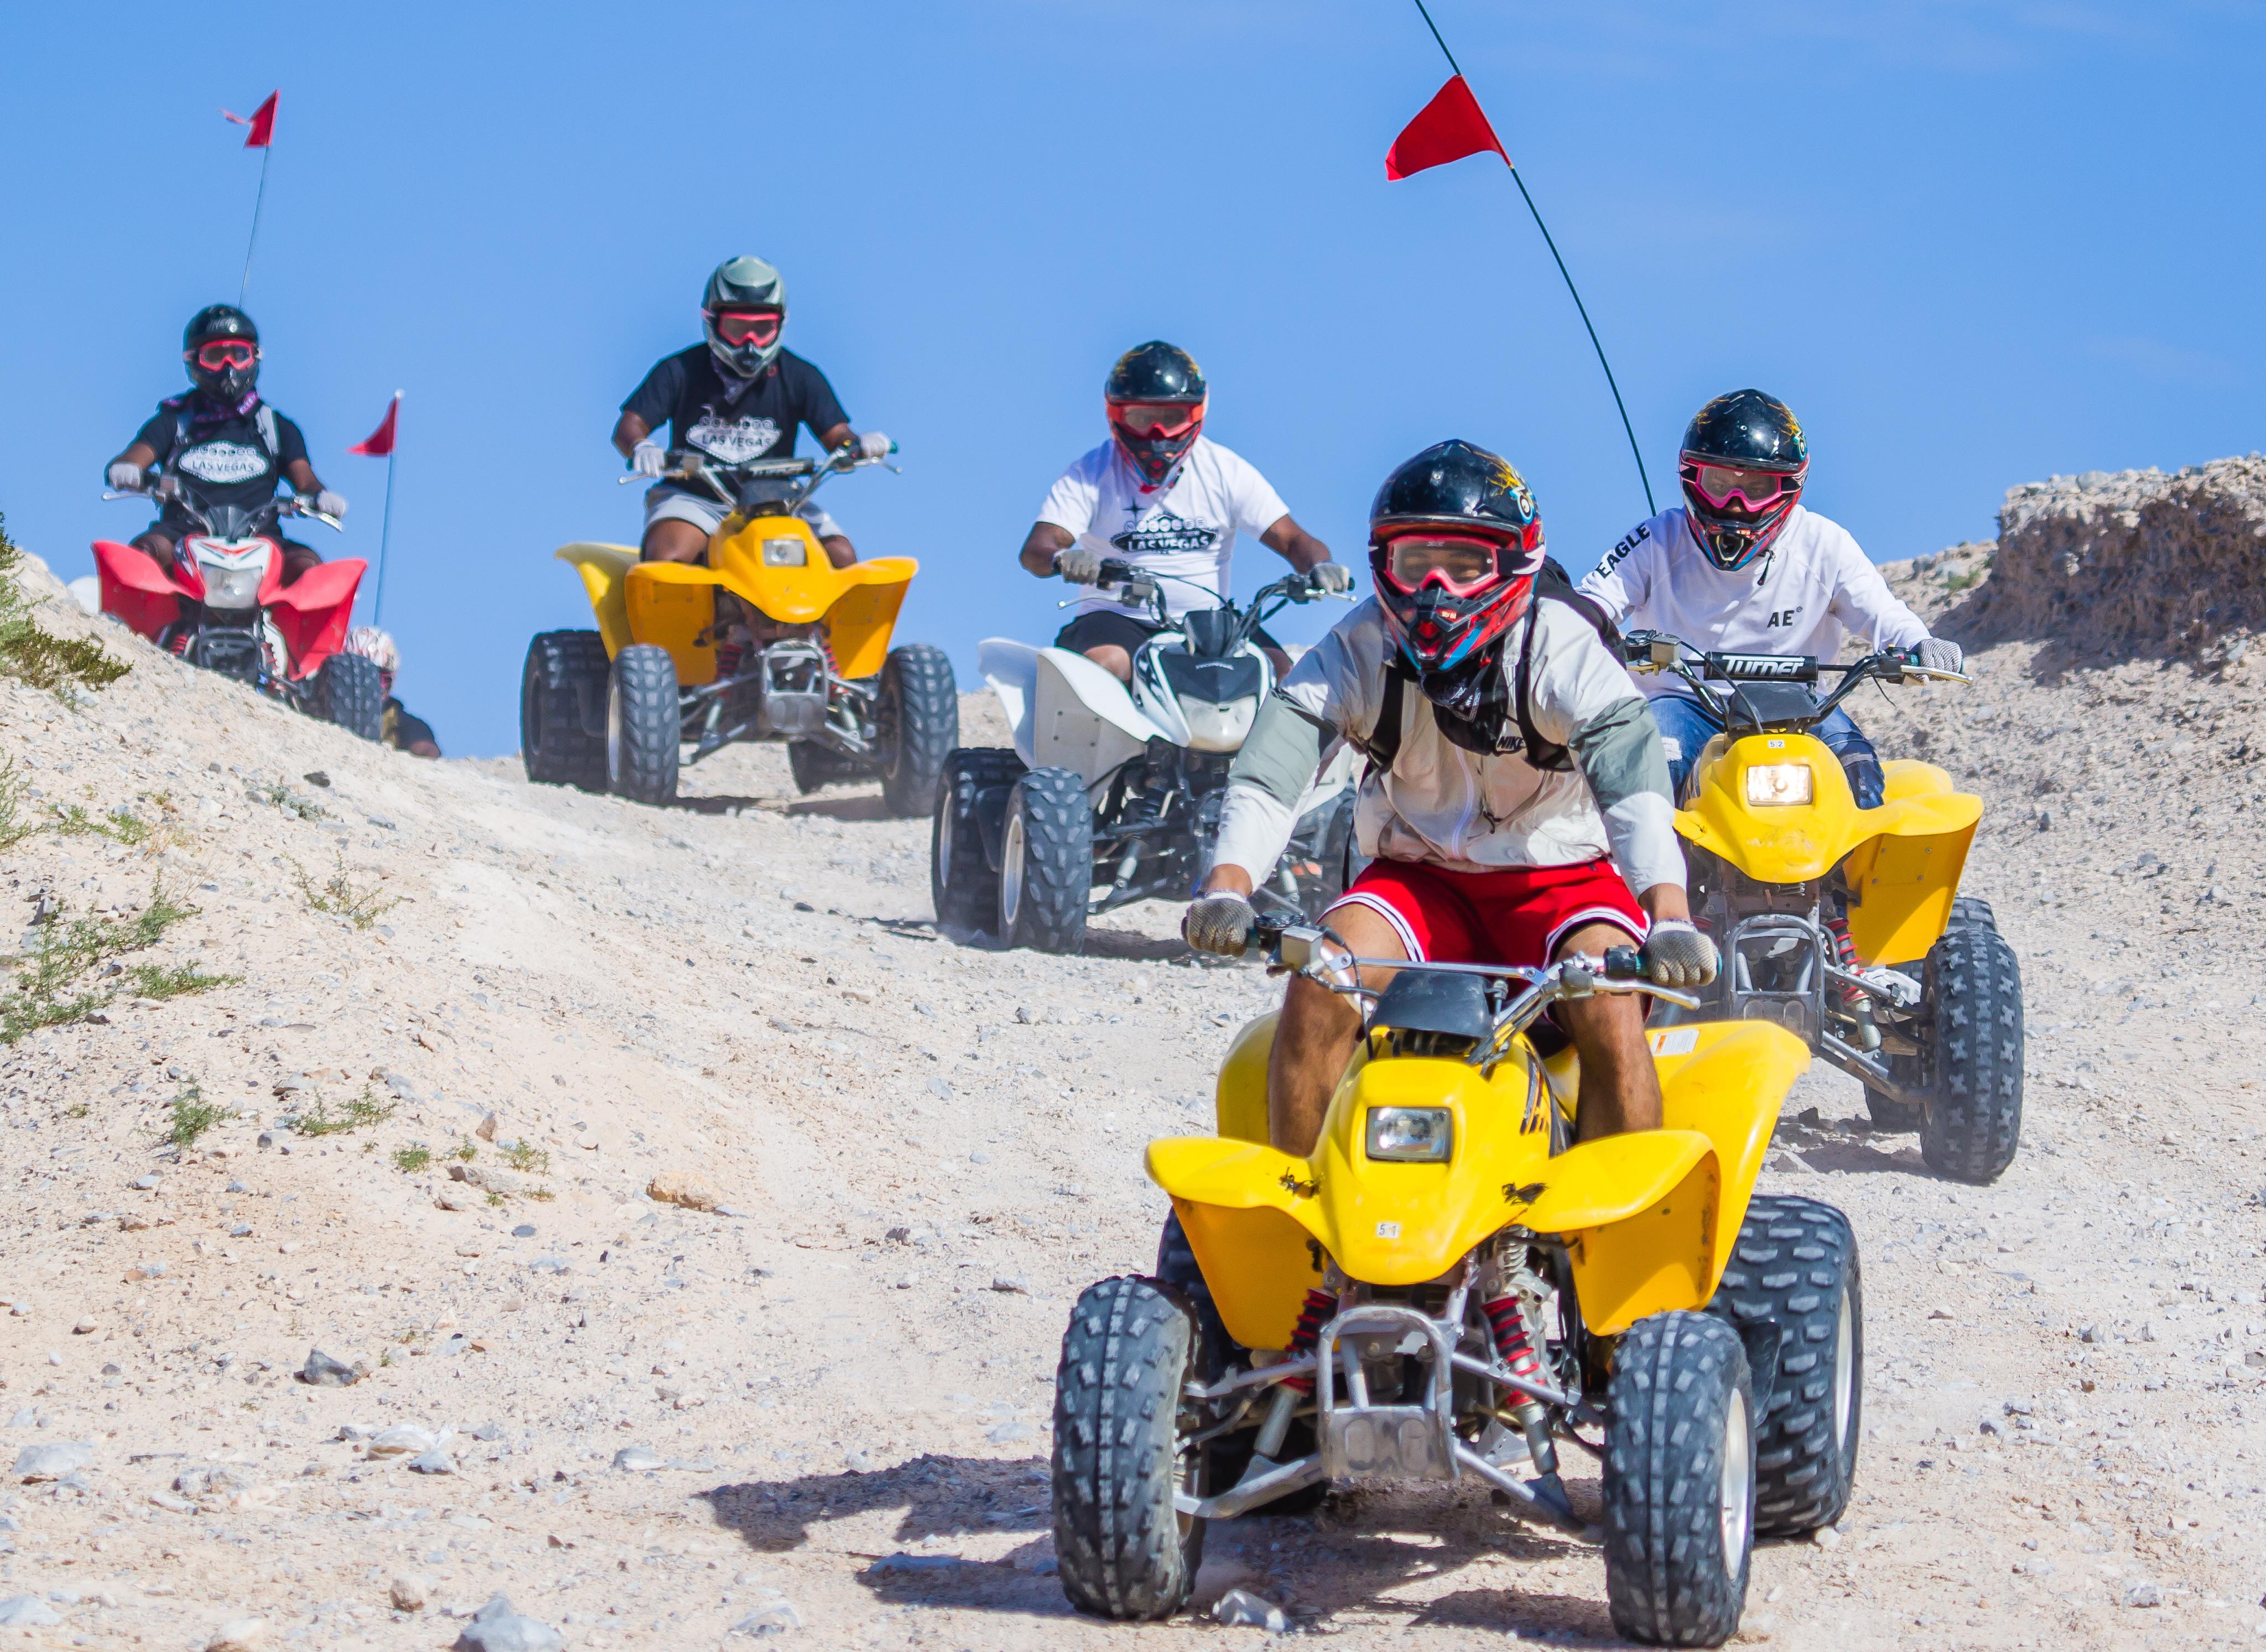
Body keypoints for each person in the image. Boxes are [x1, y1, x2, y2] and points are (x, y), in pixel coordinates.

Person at [1181, 440, 1717, 1156]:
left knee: (1611, 1005)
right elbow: (1277, 765)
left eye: (1465, 565)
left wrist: (1668, 913)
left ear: (1517, 562)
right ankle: (1306, 1232)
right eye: (1415, 563)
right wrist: (1228, 886)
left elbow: (1632, 778)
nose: (1437, 590)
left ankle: (1620, 1237)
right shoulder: (1360, 645)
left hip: (1558, 882)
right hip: (1420, 880)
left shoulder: (1560, 646)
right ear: (1382, 564)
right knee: (1320, 979)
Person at [1577, 389, 1962, 809]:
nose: (1736, 505)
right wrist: (1571, 640)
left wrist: (1920, 644)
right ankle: (1639, 876)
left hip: (1799, 711)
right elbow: (1592, 603)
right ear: (1692, 477)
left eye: (1756, 486)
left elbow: (1883, 614)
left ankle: (1845, 878)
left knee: (1858, 773)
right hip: (1682, 702)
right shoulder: (1657, 539)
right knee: (1644, 774)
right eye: (1720, 483)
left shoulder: (1824, 544)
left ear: (1788, 486)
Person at [1017, 340, 1349, 682]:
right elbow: (1037, 550)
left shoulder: (1226, 470)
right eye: (1143, 418)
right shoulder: (1090, 473)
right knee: (1109, 665)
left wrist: (1320, 567)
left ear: (1196, 413)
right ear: (1117, 414)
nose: (1158, 433)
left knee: (1279, 672)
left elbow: (1293, 539)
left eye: (1172, 418)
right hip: (1115, 616)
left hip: (1209, 622)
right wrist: (1063, 559)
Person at [612, 257, 891, 572]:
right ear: (711, 321)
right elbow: (631, 423)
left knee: (842, 559)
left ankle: (831, 624)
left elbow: (836, 435)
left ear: (780, 325)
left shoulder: (800, 376)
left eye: (762, 330)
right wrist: (641, 446)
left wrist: (857, 444)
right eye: (737, 328)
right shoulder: (680, 371)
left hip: (780, 503)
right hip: (696, 499)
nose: (749, 344)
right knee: (667, 559)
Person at [103, 305, 346, 583]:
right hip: (181, 536)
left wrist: (320, 496)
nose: (229, 368)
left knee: (310, 567)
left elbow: (305, 480)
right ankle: (121, 626)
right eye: (215, 357)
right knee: (144, 552)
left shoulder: (276, 427)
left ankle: (321, 628)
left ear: (254, 358)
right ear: (194, 362)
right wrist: (127, 470)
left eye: (239, 355)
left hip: (262, 541)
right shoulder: (175, 421)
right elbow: (134, 457)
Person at [343, 628, 441, 758]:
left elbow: (428, 753)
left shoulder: (402, 723)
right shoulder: (319, 704)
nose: (365, 685)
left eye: (377, 677)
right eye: (352, 675)